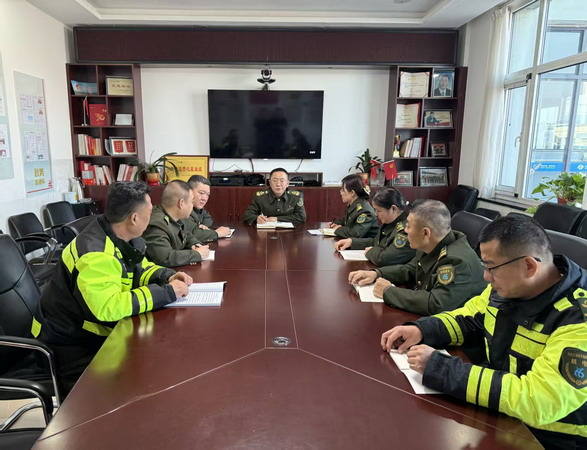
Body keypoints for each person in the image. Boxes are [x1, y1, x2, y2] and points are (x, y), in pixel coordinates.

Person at [381, 216, 587, 448]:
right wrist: (421, 329)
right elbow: (468, 318)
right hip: (500, 414)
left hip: (548, 438)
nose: (486, 277)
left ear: (529, 266)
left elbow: (539, 400)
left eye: (491, 267)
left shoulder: (579, 319)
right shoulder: (507, 288)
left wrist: (441, 368)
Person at [35, 181, 191, 384]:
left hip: (92, 333)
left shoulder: (117, 234)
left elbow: (139, 269)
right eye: (150, 211)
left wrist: (167, 276)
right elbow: (108, 308)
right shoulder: (96, 254)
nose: (152, 216)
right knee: (143, 374)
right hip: (70, 345)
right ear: (134, 218)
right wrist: (167, 292)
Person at [348, 200, 486, 315]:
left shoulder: (456, 261)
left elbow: (436, 303)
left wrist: (388, 292)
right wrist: (376, 273)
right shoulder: (432, 243)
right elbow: (410, 269)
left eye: (408, 226)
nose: (405, 230)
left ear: (426, 233)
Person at [334, 187, 415, 266]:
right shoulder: (390, 222)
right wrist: (352, 242)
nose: (376, 214)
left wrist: (371, 252)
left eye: (378, 211)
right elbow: (376, 242)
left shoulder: (407, 229)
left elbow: (386, 258)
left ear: (393, 209)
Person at [143, 179, 210, 267]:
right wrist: (197, 254)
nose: (192, 205)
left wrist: (195, 244)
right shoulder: (156, 224)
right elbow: (165, 258)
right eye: (191, 201)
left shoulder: (177, 218)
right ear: (181, 203)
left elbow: (187, 234)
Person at [328, 174, 378, 239]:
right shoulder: (353, 205)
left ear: (352, 193)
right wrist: (335, 224)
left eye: (343, 190)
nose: (341, 192)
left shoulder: (365, 211)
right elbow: (346, 222)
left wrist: (338, 229)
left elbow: (355, 234)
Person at [184, 175, 231, 242]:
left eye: (207, 195)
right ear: (189, 191)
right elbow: (193, 234)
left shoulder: (198, 209)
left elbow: (207, 217)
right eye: (201, 193)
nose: (205, 198)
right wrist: (217, 233)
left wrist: (203, 226)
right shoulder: (183, 209)